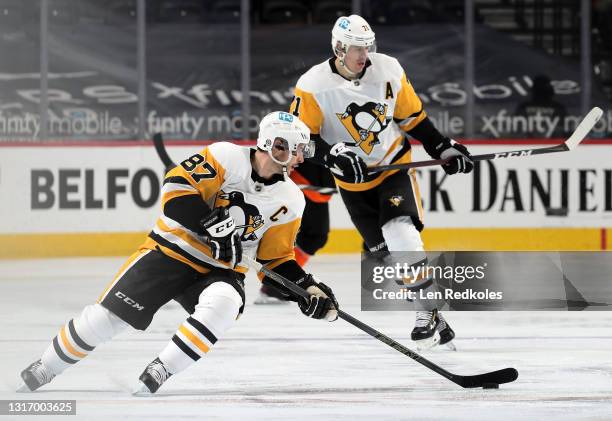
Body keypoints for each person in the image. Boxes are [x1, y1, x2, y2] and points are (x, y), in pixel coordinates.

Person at [18, 111, 339, 394]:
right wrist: (210, 222)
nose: (301, 157)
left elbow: (275, 260)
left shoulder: (292, 199)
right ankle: (46, 366)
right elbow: (175, 192)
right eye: (297, 149)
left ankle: (162, 369)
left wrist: (305, 289)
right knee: (107, 320)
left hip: (221, 270)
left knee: (226, 303)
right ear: (276, 146)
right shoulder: (225, 156)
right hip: (173, 250)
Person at [289, 15, 474, 349]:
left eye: (367, 46)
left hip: (393, 167)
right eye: (356, 48)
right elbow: (303, 140)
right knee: (386, 255)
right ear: (338, 47)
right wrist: (332, 156)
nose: (364, 54)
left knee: (400, 230)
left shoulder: (388, 69)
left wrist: (442, 146)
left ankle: (425, 314)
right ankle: (434, 316)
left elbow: (413, 118)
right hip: (353, 184)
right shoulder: (313, 85)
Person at [254, 159, 337, 304]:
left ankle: (277, 285)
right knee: (312, 236)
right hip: (302, 170)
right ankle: (276, 284)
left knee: (314, 237)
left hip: (318, 167)